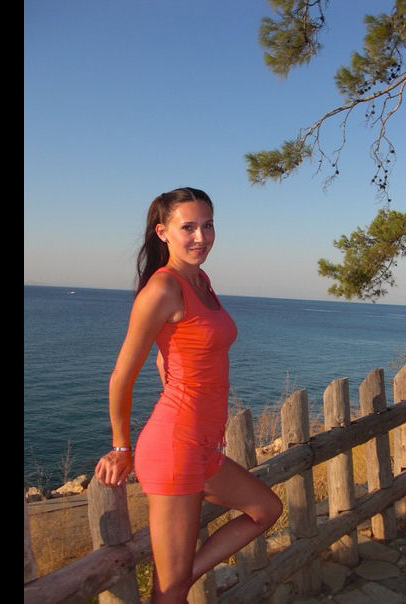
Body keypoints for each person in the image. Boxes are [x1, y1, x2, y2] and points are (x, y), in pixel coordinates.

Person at [94, 187, 283, 603]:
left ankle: (180, 577)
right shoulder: (163, 288)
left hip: (202, 445)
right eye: (189, 228)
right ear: (163, 232)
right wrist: (121, 447)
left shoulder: (201, 281)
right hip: (174, 447)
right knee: (171, 593)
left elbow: (172, 353)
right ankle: (176, 582)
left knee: (266, 510)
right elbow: (121, 377)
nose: (201, 237)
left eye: (208, 225)